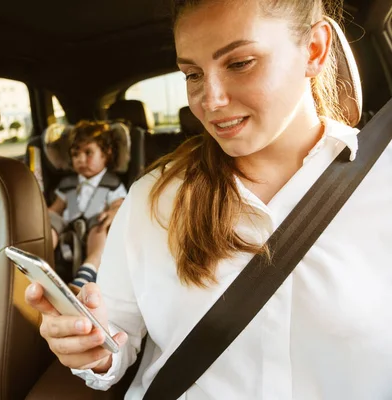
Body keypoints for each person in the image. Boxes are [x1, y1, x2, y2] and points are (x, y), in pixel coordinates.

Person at [26, 0, 392, 398]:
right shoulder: (153, 199)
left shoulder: (382, 181)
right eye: (193, 74)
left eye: (240, 63)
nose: (210, 100)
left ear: (315, 50)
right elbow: (116, 343)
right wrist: (90, 348)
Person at [47, 120, 127, 292]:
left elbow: (119, 204)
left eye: (88, 153)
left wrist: (113, 212)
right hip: (67, 232)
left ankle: (88, 271)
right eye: (75, 154)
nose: (81, 159)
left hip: (94, 227)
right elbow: (56, 208)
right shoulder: (68, 183)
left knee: (100, 226)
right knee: (50, 222)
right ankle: (41, 262)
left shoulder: (111, 183)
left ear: (106, 154)